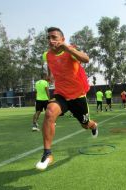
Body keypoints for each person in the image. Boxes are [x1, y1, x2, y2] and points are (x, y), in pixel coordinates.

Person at [35, 27, 98, 170]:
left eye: (54, 37)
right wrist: (50, 75)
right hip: (61, 94)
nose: (51, 40)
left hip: (77, 96)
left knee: (85, 124)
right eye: (49, 38)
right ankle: (47, 154)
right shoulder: (47, 55)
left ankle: (93, 125)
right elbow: (50, 62)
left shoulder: (71, 51)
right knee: (50, 112)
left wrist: (68, 49)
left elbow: (86, 59)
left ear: (62, 39)